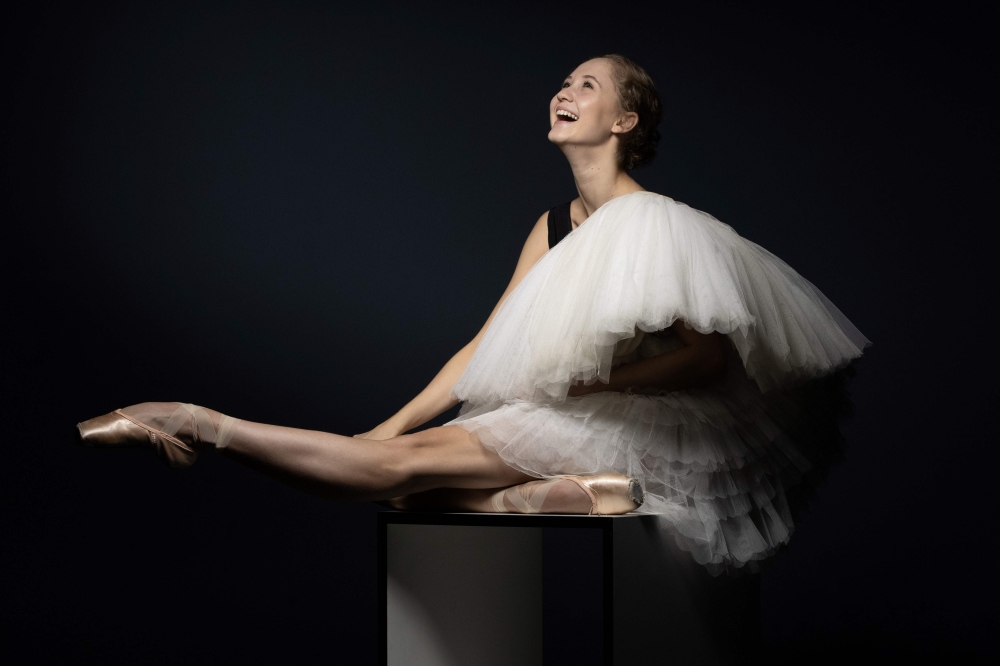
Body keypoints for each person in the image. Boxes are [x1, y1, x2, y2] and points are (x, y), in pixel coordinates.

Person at [77, 54, 869, 572]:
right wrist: (385, 424)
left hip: (641, 424)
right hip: (579, 415)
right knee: (393, 479)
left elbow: (707, 361)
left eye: (587, 85)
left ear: (624, 122)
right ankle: (540, 498)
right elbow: (484, 349)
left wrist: (585, 394)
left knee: (395, 476)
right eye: (563, 81)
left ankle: (188, 420)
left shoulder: (654, 220)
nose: (565, 91)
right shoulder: (554, 227)